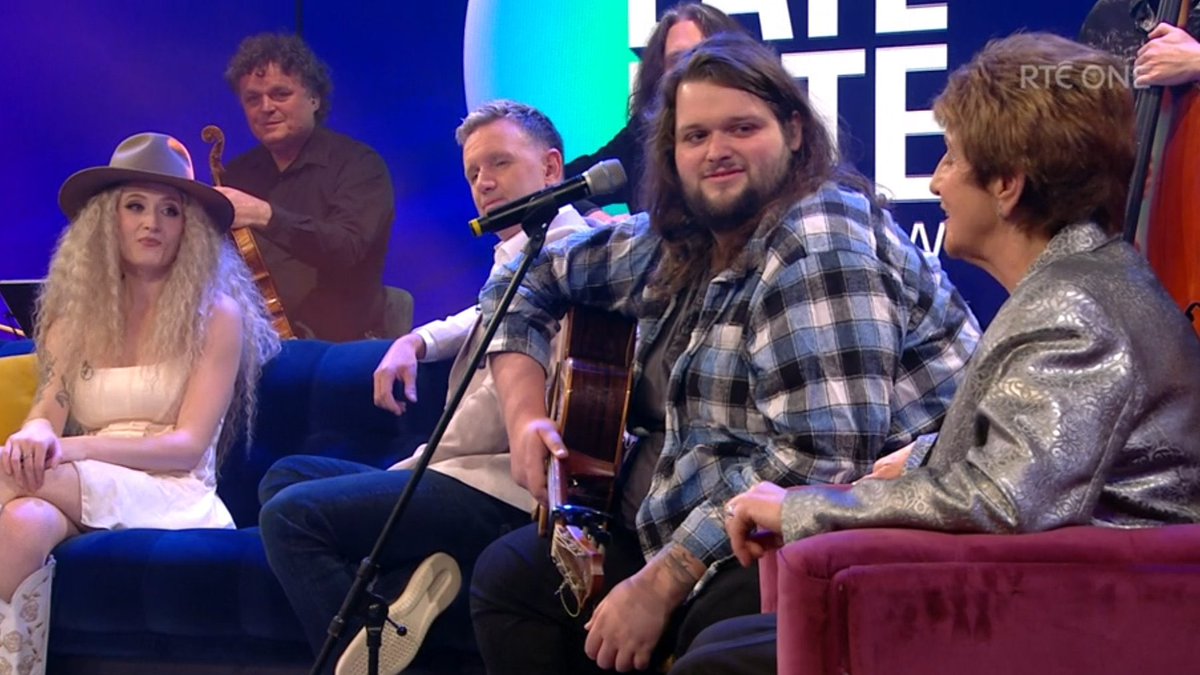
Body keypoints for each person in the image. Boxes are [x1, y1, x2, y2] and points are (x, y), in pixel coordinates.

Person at [672, 33, 1200, 675]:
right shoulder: (1077, 282)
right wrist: (916, 457)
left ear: (1006, 185)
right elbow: (1048, 457)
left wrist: (804, 507)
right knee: (724, 648)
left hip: (1090, 622)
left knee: (717, 662)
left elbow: (1001, 502)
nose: (936, 180)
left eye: (950, 158)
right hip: (1062, 595)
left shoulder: (1073, 311)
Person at [469, 33, 981, 675]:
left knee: (715, 642)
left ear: (794, 131)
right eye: (695, 136)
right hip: (681, 514)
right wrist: (524, 419)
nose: (717, 152)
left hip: (831, 534)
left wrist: (658, 585)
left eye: (742, 127)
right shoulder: (679, 238)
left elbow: (818, 464)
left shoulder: (819, 238)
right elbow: (523, 279)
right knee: (511, 581)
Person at [257, 100, 593, 675]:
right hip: (463, 474)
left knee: (291, 516)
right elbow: (481, 315)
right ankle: (403, 593)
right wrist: (414, 340)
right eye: (472, 173)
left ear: (552, 168)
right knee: (283, 476)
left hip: (502, 491)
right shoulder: (522, 252)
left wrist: (411, 469)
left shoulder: (574, 257)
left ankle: (380, 651)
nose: (483, 183)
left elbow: (491, 417)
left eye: (499, 164)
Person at [0, 132, 280, 675]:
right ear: (109, 221)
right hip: (85, 482)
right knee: (23, 523)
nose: (152, 223)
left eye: (169, 210)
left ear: (188, 228)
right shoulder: (71, 317)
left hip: (172, 491)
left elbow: (186, 446)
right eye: (135, 207)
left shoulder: (216, 314)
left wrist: (65, 447)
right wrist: (36, 431)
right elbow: (48, 410)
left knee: (14, 478)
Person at [218, 33, 396, 342]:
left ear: (314, 99)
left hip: (344, 345)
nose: (266, 107)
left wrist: (265, 215)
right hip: (259, 346)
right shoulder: (237, 174)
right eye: (253, 99)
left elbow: (347, 248)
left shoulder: (359, 165)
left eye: (280, 94)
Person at [564, 2, 746, 215]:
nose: (692, 69)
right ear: (661, 73)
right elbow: (560, 184)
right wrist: (591, 214)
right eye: (678, 60)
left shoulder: (756, 131)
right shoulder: (642, 135)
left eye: (704, 56)